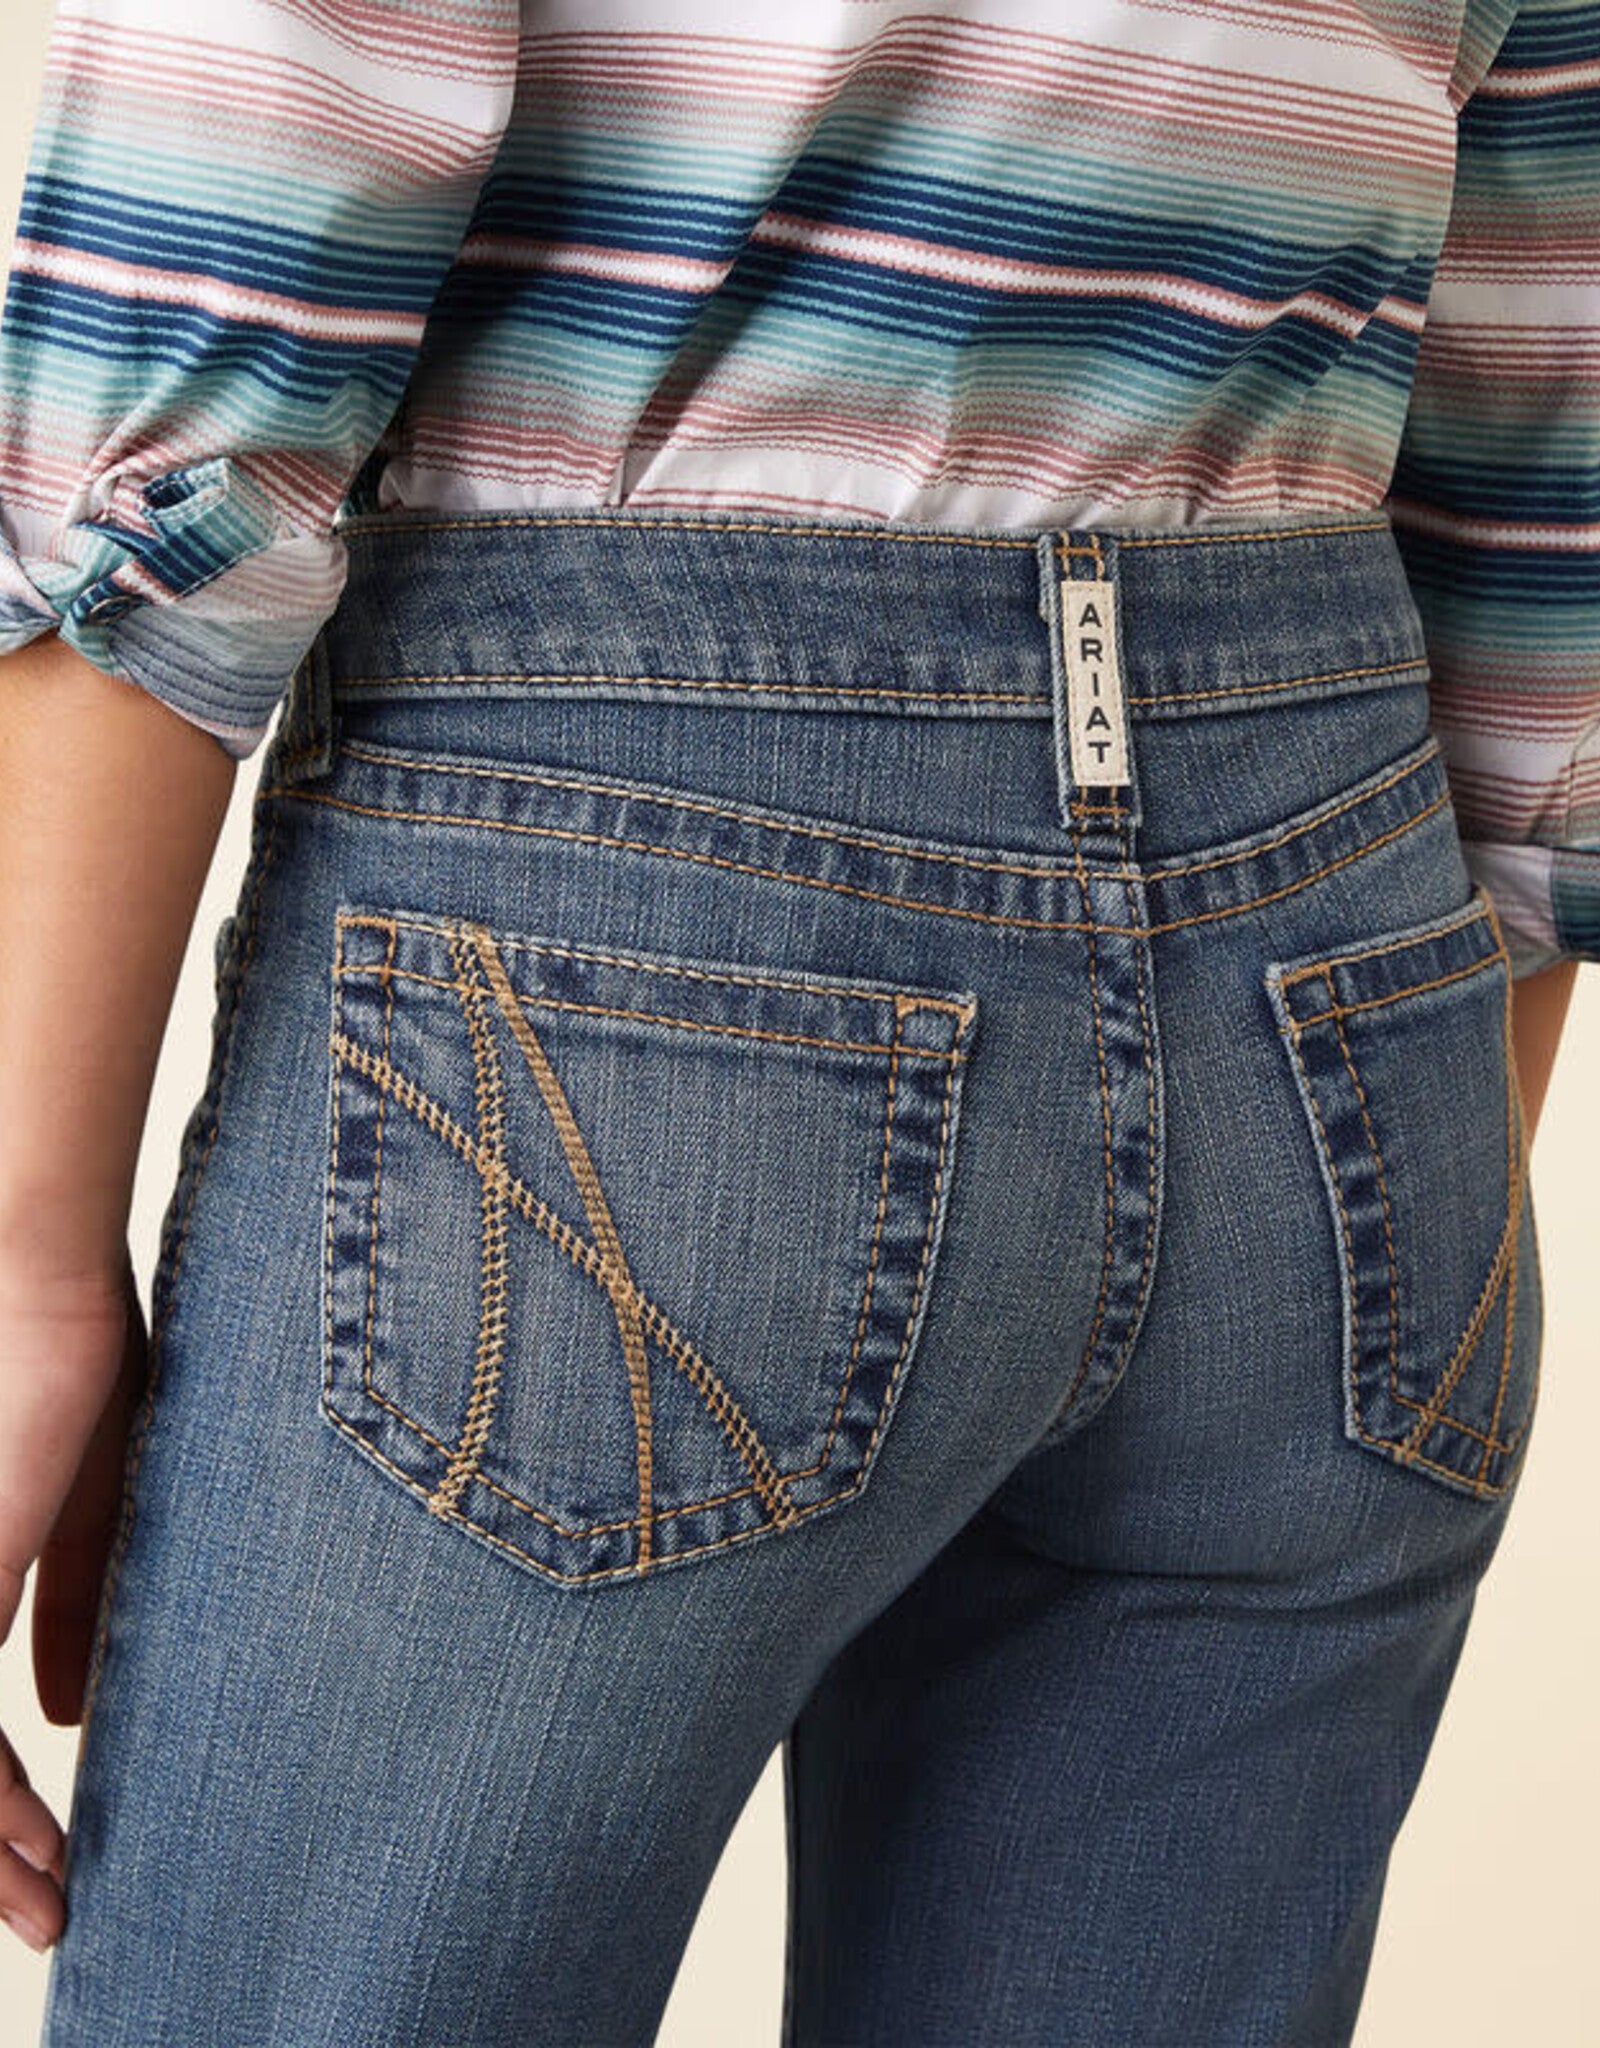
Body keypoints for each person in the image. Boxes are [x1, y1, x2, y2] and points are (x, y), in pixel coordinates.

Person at [0, 0, 1591, 2041]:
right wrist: (1397, 1164)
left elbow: (250, 179)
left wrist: (32, 1243)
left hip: (631, 922)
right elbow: (1543, 372)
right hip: (1344, 970)